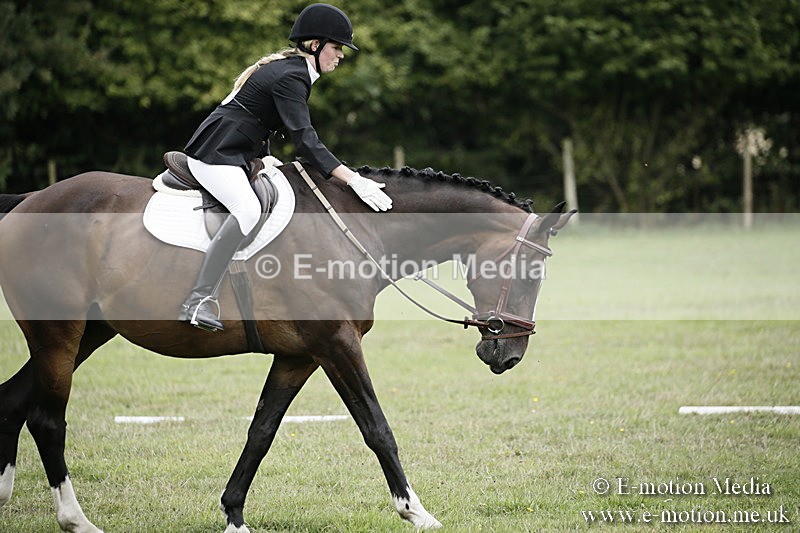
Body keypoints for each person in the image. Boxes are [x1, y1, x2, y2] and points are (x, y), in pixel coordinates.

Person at [178, 3, 392, 332]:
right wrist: (352, 179)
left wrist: (263, 157)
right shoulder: (292, 76)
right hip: (214, 155)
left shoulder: (292, 71)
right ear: (315, 45)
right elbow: (305, 140)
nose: (341, 56)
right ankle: (197, 300)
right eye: (337, 48)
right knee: (248, 210)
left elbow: (262, 120)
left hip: (235, 153)